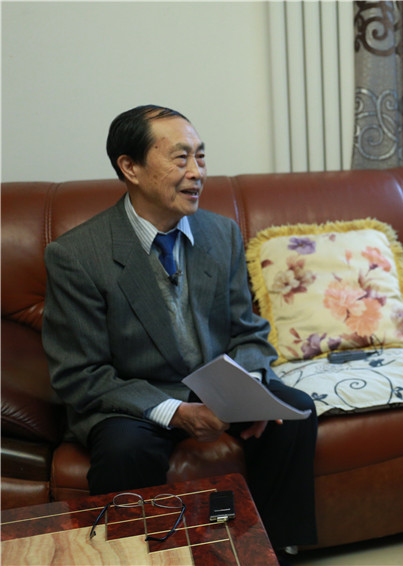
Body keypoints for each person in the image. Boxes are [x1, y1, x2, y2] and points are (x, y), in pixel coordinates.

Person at [42, 105, 317, 563]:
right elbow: (80, 374)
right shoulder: (77, 256)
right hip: (134, 399)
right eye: (180, 158)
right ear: (130, 167)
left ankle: (270, 552)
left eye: (200, 156)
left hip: (216, 389)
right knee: (125, 449)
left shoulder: (222, 233)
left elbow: (248, 332)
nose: (197, 172)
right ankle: (137, 558)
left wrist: (247, 390)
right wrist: (176, 412)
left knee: (294, 413)